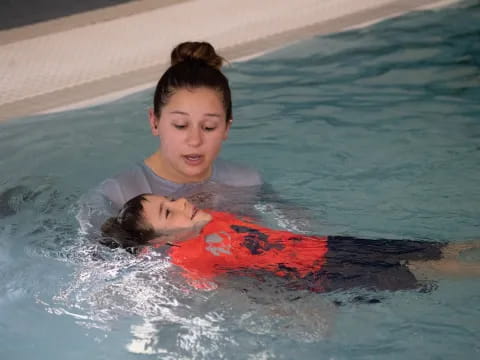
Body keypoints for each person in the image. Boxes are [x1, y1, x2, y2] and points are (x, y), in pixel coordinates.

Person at [100, 194, 480, 293]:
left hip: (327, 245)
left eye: (169, 200)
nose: (181, 204)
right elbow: (226, 293)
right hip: (321, 274)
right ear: (156, 244)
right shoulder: (190, 259)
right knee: (420, 270)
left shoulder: (209, 216)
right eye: (169, 213)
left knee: (430, 248)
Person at [79, 41, 262, 232]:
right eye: (180, 125)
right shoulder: (117, 197)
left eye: (209, 127)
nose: (195, 141)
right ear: (154, 122)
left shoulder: (246, 182)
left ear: (226, 128)